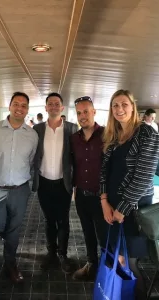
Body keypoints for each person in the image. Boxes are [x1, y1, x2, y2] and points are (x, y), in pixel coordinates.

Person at [100, 89, 159, 300]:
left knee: (130, 261)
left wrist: (122, 209)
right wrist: (104, 200)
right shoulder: (113, 136)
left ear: (133, 107)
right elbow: (104, 171)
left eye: (124, 104)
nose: (119, 109)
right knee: (119, 258)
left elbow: (143, 176)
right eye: (115, 105)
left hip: (133, 208)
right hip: (112, 205)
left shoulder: (146, 133)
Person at [0, 91, 38, 284]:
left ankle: (10, 263)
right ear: (9, 106)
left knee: (14, 229)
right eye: (16, 104)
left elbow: (31, 161)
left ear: (27, 110)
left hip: (20, 190)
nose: (19, 108)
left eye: (24, 105)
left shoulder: (32, 135)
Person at [32, 92, 78, 274]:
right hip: (43, 182)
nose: (53, 106)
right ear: (46, 108)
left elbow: (77, 157)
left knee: (63, 220)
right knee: (49, 220)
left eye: (56, 103)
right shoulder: (37, 130)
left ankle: (63, 255)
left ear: (62, 107)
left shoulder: (72, 129)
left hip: (63, 183)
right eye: (50, 103)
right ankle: (51, 253)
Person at [70, 96, 106, 281]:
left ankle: (108, 270)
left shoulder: (107, 135)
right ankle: (91, 263)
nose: (82, 116)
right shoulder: (74, 138)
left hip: (102, 198)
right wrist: (75, 189)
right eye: (79, 113)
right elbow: (74, 166)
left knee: (105, 235)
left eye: (86, 111)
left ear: (94, 112)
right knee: (87, 232)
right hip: (82, 196)